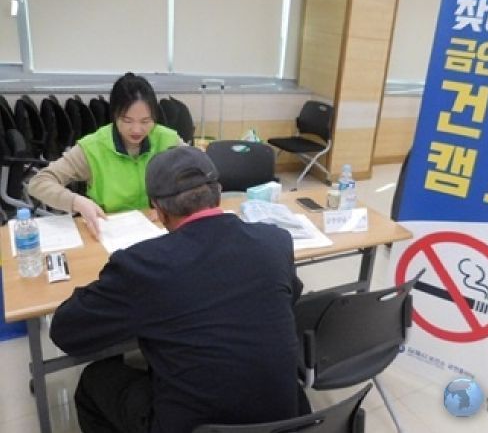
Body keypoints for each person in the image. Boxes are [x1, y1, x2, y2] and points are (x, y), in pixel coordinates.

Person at [49, 146, 305, 433]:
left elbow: (65, 332)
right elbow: (290, 296)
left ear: (157, 209)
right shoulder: (275, 241)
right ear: (219, 192)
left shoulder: (142, 265)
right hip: (286, 421)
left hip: (192, 427)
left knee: (95, 379)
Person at [28, 72, 182, 238]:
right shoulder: (93, 147)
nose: (137, 129)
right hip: (111, 233)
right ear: (114, 115)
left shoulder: (167, 140)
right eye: (127, 121)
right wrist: (77, 202)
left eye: (145, 121)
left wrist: (170, 206)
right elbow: (39, 182)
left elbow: (199, 176)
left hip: (158, 230)